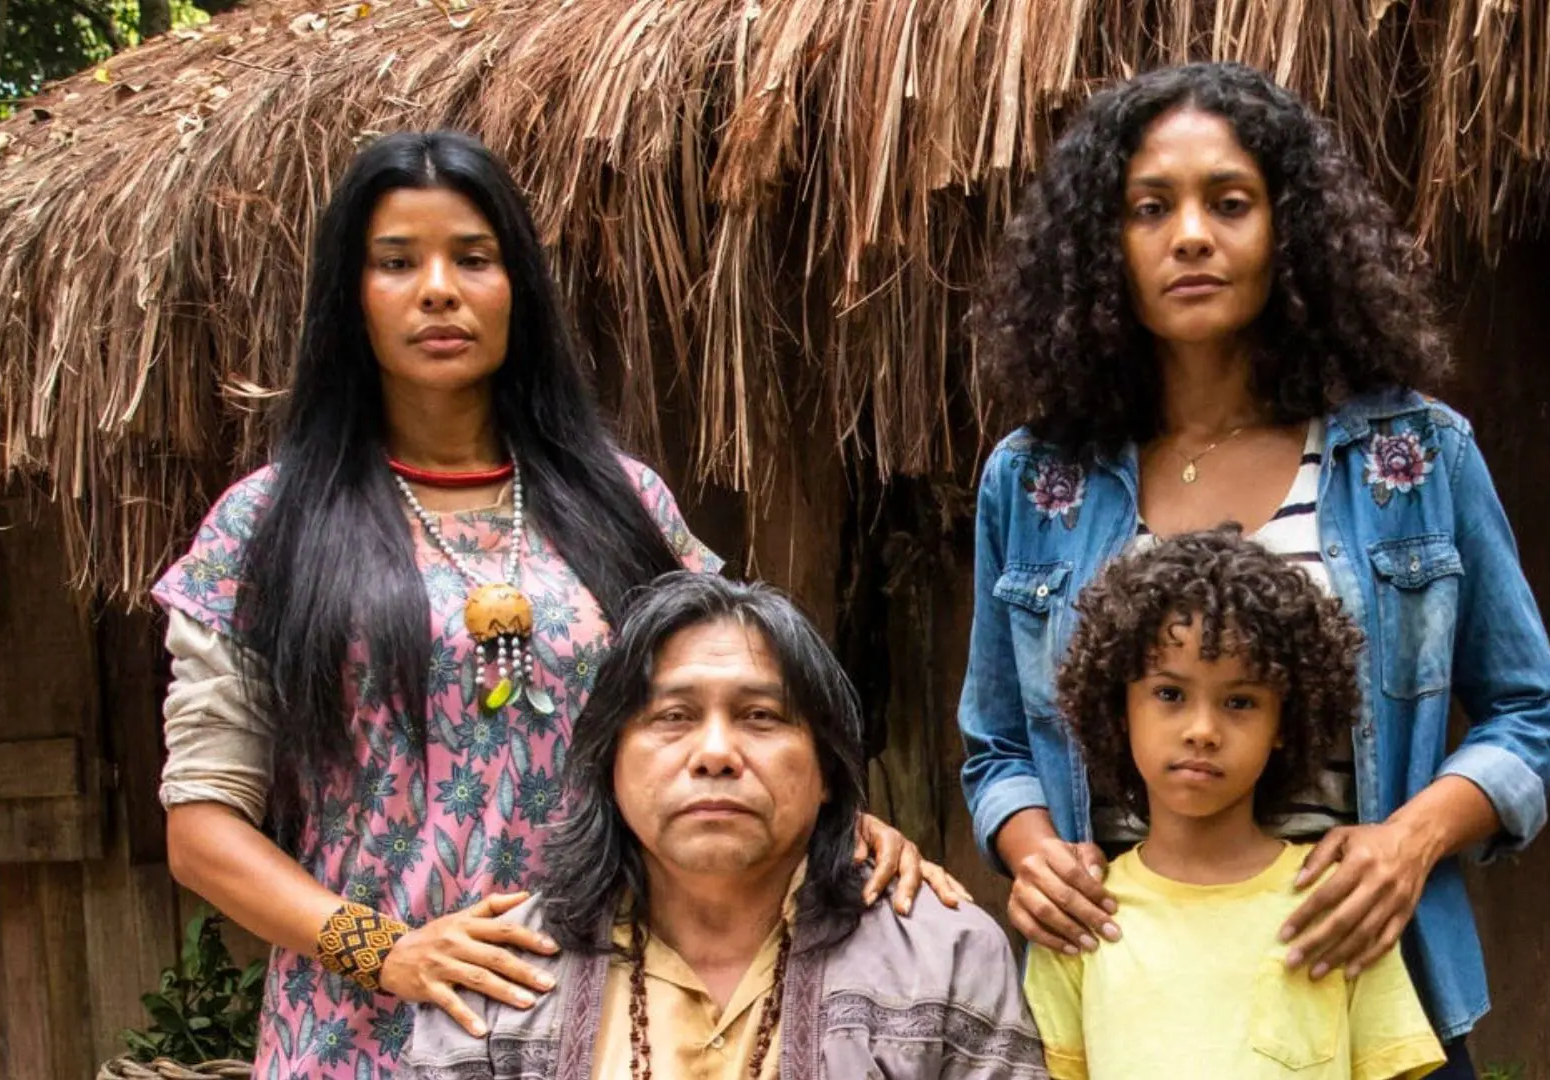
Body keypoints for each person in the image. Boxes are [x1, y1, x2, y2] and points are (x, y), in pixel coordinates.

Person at [153, 130, 958, 1078]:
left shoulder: (625, 506)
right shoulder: (266, 525)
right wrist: (388, 952)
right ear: (350, 297)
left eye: (474, 259)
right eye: (397, 262)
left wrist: (840, 819)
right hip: (361, 1031)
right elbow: (201, 828)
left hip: (609, 1018)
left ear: (518, 290)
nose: (439, 290)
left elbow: (740, 694)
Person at [957, 62, 1550, 1072]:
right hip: (1127, 999)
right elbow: (995, 748)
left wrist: (1409, 841)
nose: (1191, 235)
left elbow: (1533, 708)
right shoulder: (1035, 481)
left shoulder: (1413, 460)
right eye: (1150, 208)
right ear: (1101, 247)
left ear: (1290, 230)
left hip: (1363, 985)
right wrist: (1034, 855)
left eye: (1230, 202)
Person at [405, 573, 1047, 1079]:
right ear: (609, 764)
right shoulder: (500, 975)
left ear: (827, 770)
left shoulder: (943, 957)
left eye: (762, 717)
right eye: (674, 716)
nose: (716, 752)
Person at [1024, 527, 1444, 1080]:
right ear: (1119, 707)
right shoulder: (1080, 919)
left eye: (1240, 701)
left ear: (1284, 724)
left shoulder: (1336, 904)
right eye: (1170, 694)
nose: (1202, 730)